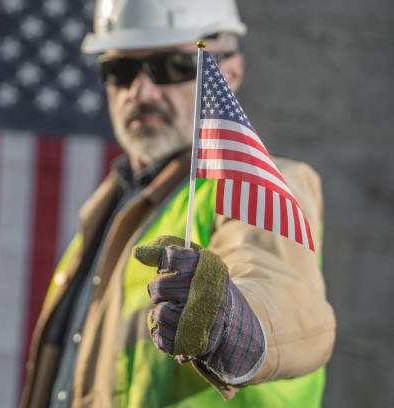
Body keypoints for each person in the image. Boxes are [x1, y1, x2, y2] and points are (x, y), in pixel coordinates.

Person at [21, 0, 336, 406]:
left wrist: (236, 324)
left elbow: (281, 289)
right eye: (120, 70)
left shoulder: (253, 186)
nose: (140, 90)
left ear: (231, 71)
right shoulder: (109, 210)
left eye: (170, 66)